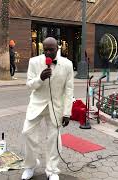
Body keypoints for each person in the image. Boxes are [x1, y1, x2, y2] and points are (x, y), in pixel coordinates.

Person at [21, 37, 74, 180]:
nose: (48, 53)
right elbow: (29, 85)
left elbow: (69, 91)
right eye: (45, 50)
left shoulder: (67, 64)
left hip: (56, 107)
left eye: (51, 49)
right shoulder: (34, 62)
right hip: (37, 104)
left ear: (58, 48)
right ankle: (30, 165)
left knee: (53, 139)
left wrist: (67, 112)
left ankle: (52, 170)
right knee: (27, 132)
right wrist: (40, 78)